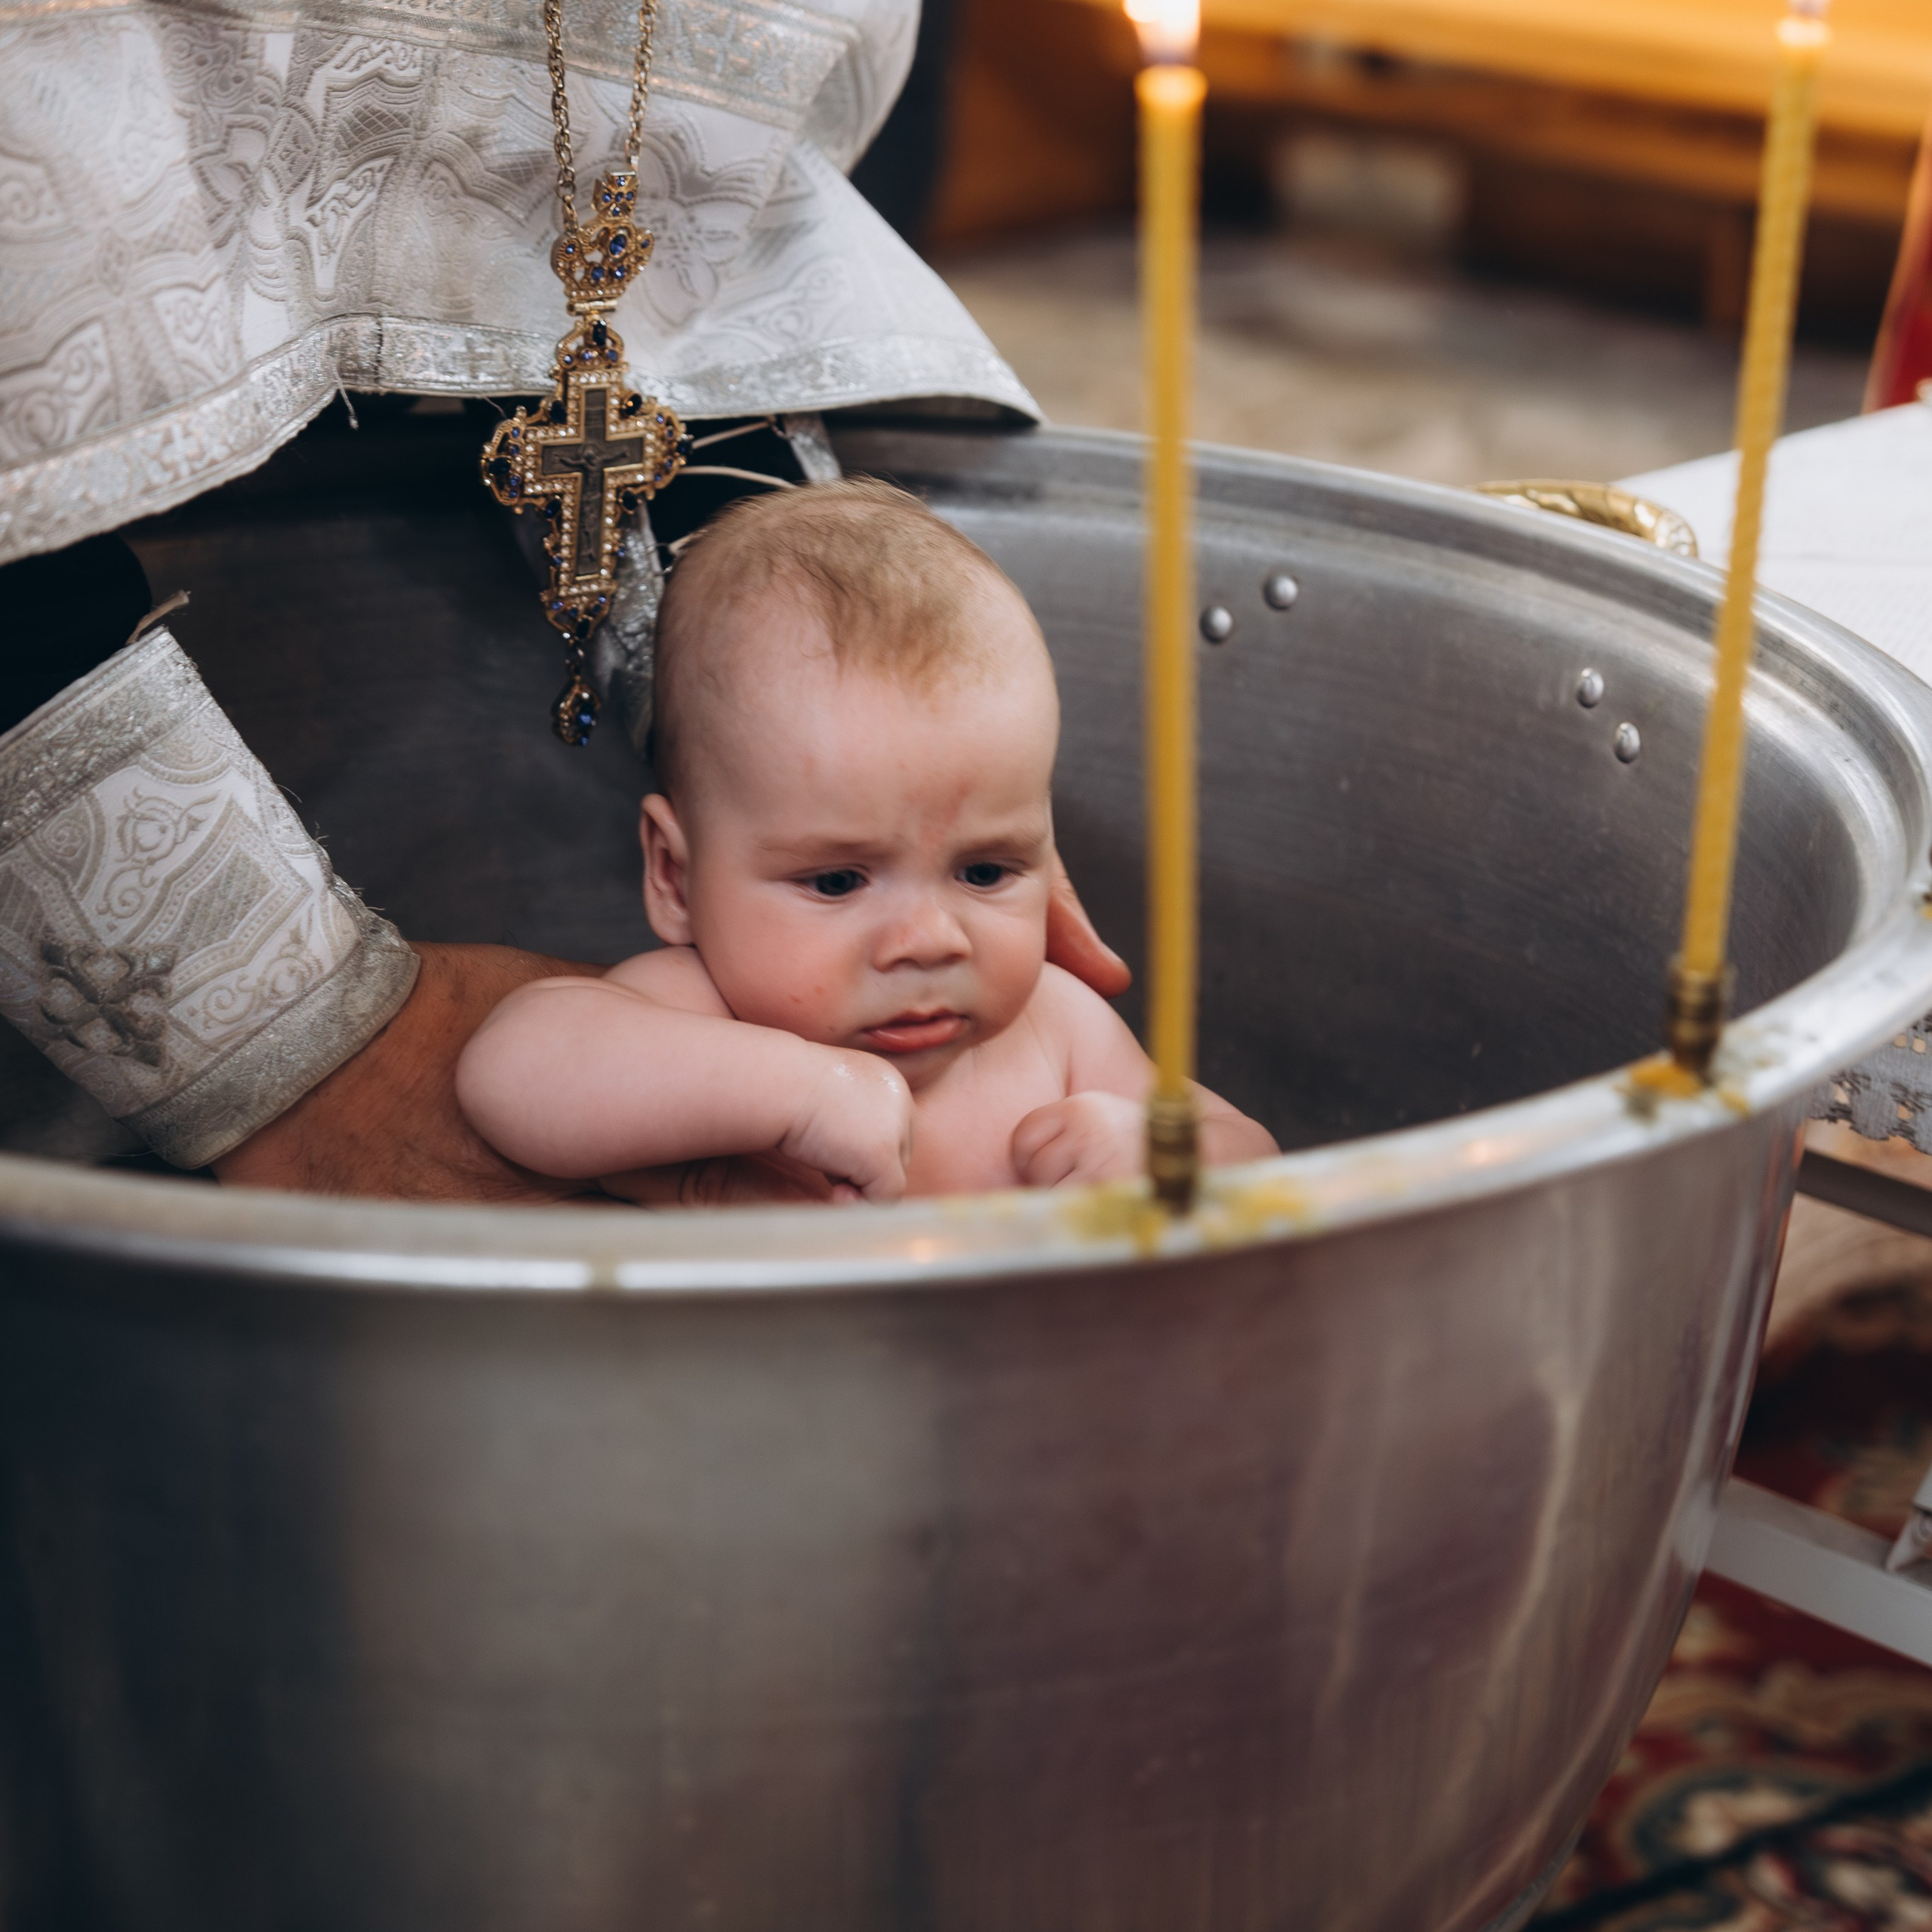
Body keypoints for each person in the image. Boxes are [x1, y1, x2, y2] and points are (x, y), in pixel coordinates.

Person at [455, 480, 1275, 1201]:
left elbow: (1256, 1156)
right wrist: (795, 1093)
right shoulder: (692, 1013)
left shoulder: (1056, 1030)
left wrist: (1163, 1156)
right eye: (837, 881)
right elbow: (511, 1071)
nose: (930, 941)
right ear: (675, 876)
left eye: (985, 871)